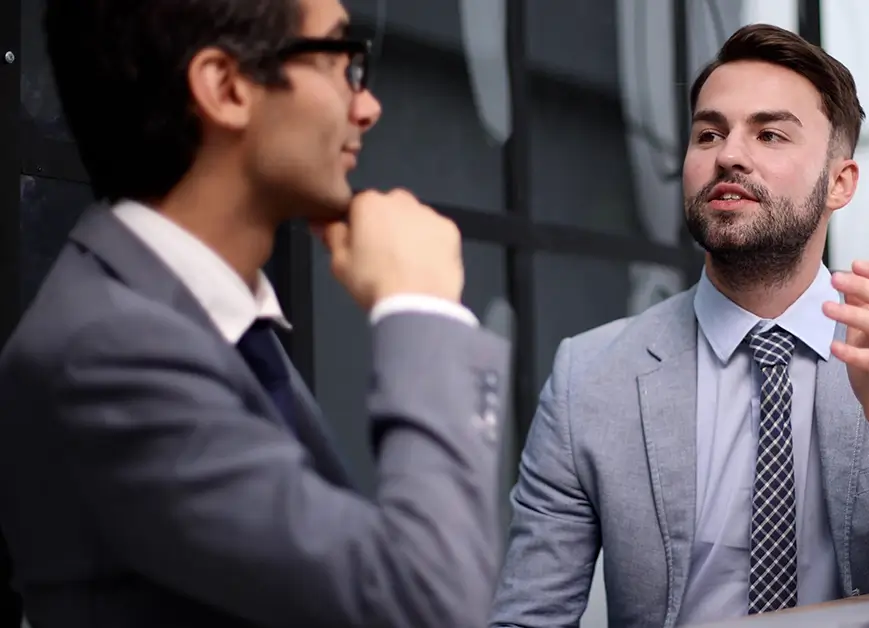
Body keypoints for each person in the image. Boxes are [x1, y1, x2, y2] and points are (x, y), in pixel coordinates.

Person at [491, 23, 869, 628]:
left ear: (840, 183)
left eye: (769, 134)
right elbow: (528, 618)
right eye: (708, 133)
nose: (729, 155)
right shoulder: (589, 377)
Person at [0, 0, 509, 626]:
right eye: (339, 61)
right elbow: (428, 605)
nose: (367, 106)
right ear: (226, 88)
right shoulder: (104, 353)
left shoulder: (210, 323)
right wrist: (421, 308)